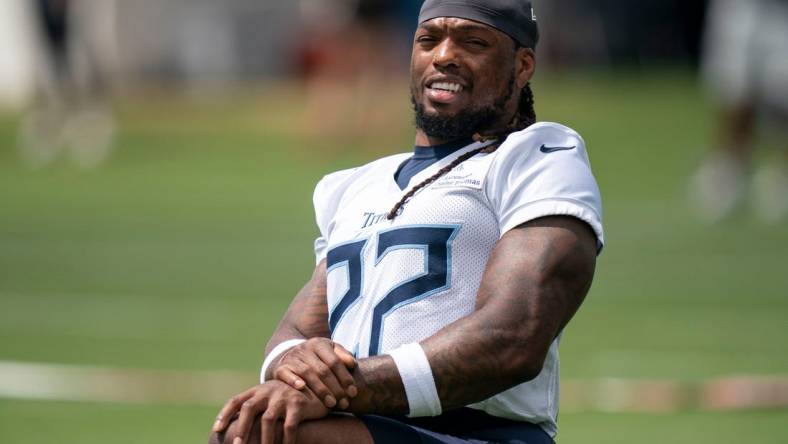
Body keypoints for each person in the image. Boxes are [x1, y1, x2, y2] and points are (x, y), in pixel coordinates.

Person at [210, 1, 603, 443]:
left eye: (473, 42)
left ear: (522, 65)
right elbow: (299, 329)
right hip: (371, 424)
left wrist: (346, 390)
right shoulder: (356, 186)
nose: (444, 56)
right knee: (251, 428)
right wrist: (292, 365)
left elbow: (513, 336)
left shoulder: (534, 158)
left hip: (481, 433)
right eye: (428, 40)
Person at [690, 0, 788, 223]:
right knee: (734, 90)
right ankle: (728, 171)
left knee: (782, 95)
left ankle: (782, 175)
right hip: (742, 7)